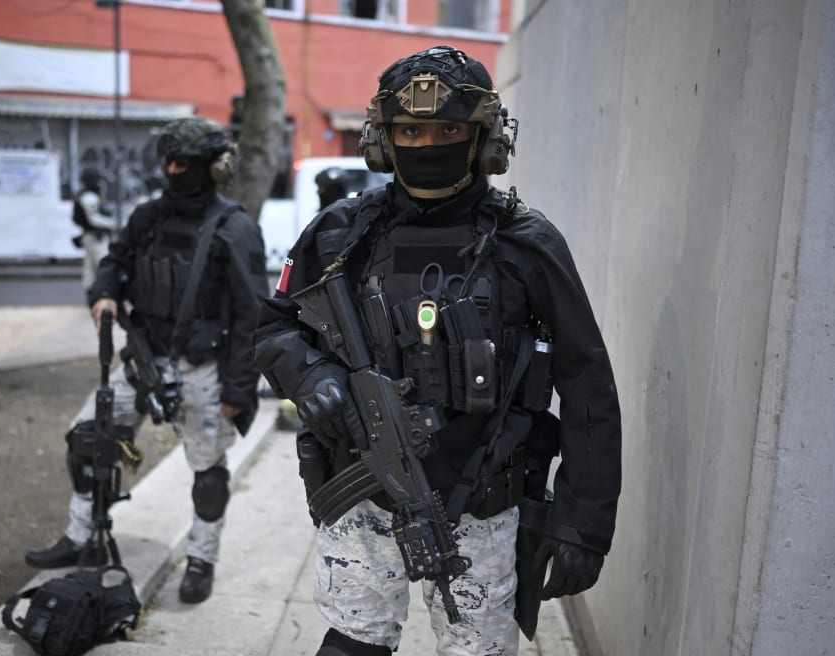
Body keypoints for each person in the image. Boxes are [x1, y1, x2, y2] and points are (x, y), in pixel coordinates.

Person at [253, 46, 622, 656]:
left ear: (484, 139)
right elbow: (274, 327)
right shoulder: (341, 233)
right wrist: (311, 376)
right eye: (410, 131)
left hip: (483, 506)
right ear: (384, 139)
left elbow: (588, 383)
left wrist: (585, 521)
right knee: (351, 643)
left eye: (449, 131)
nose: (428, 144)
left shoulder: (526, 243)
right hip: (364, 491)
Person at [26, 116, 269, 605]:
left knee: (208, 471)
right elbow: (114, 262)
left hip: (202, 369)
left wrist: (238, 391)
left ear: (213, 167)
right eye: (168, 161)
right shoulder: (147, 217)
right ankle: (83, 536)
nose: (173, 170)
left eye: (184, 163)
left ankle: (201, 558)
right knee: (87, 439)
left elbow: (254, 317)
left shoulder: (236, 228)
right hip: (143, 358)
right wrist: (104, 294)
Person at [71, 168, 117, 289]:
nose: (100, 184)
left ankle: (92, 292)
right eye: (97, 181)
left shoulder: (86, 195)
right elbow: (94, 219)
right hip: (95, 237)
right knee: (104, 265)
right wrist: (113, 224)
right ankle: (104, 292)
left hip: (90, 236)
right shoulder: (89, 197)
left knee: (90, 269)